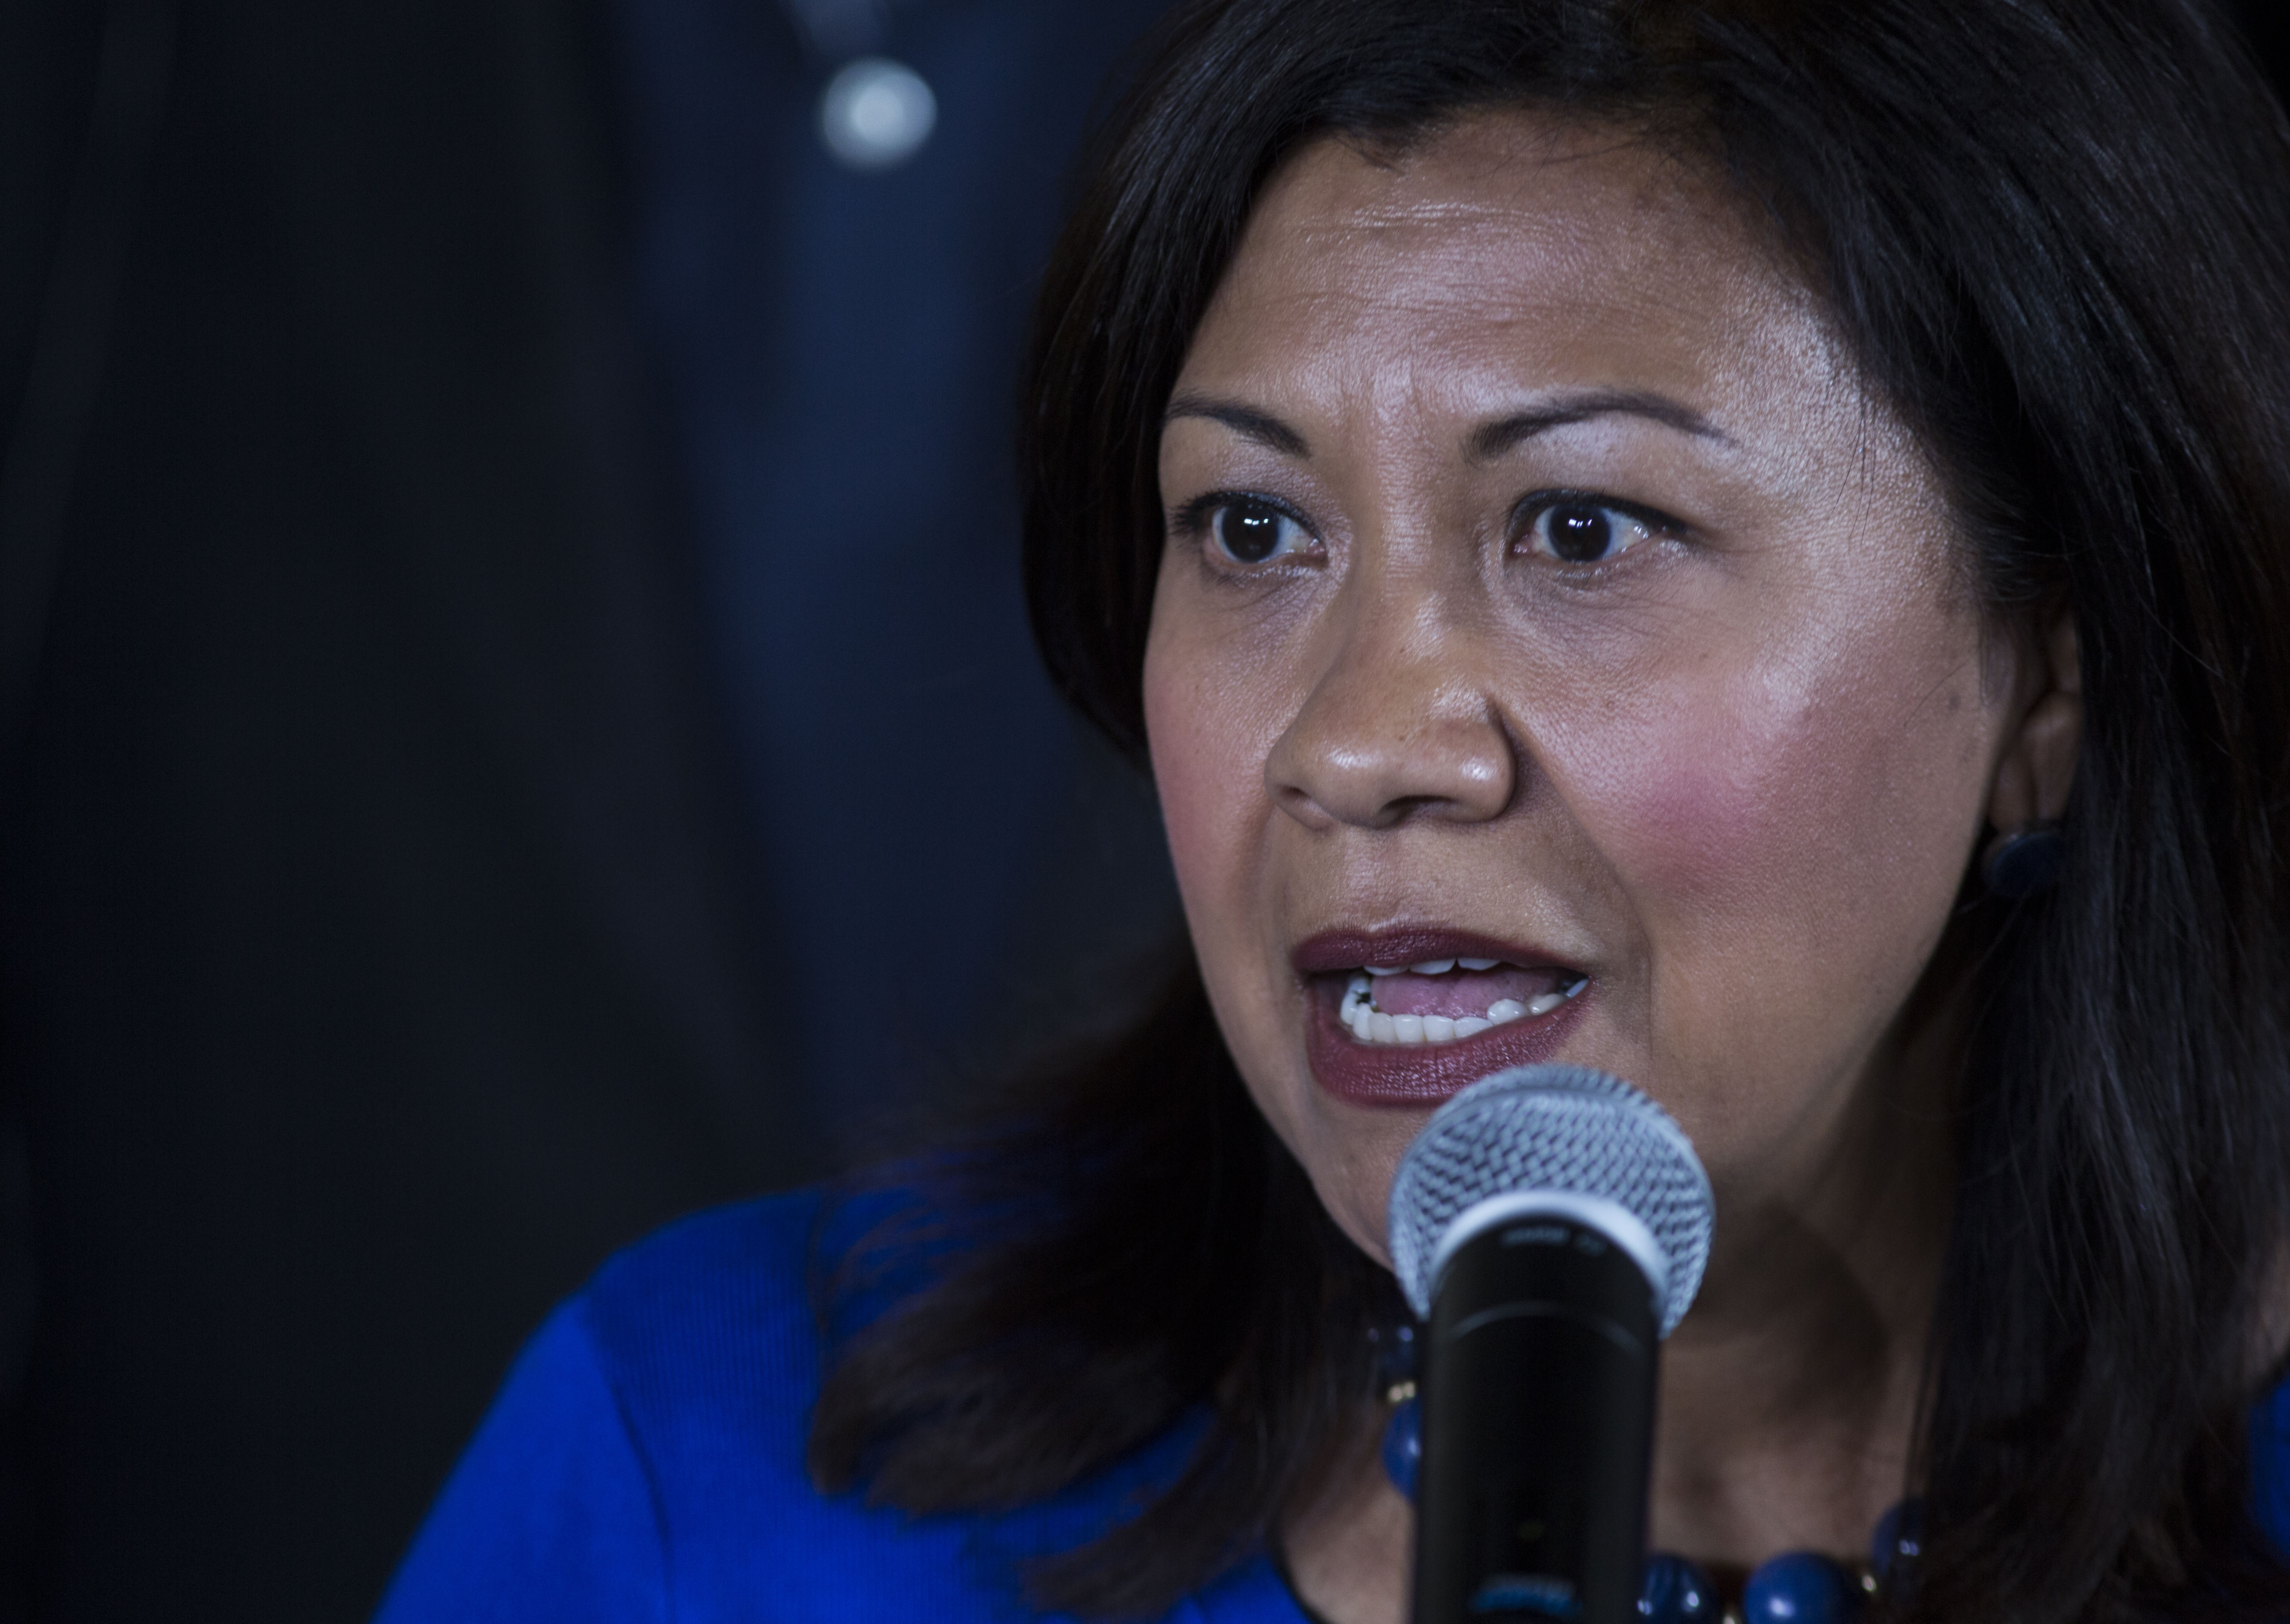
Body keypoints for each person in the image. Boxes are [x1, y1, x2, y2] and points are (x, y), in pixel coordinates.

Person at [373, 0, 2290, 1619]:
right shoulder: (716, 1484)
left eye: (1584, 529)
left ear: (2053, 674)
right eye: (1255, 529)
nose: (1359, 743)